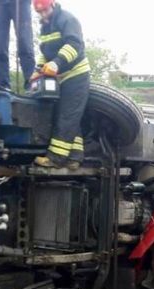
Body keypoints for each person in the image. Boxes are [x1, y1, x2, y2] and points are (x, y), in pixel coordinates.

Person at [31, 0, 91, 169]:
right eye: (39, 12)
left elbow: (74, 45)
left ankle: (55, 159)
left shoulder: (67, 19)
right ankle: (74, 158)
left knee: (66, 116)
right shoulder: (45, 27)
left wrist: (57, 63)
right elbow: (45, 52)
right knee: (71, 117)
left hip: (76, 74)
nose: (43, 15)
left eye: (45, 11)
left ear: (52, 5)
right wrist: (38, 69)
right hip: (61, 76)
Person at [0, 0, 36, 90]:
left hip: (21, 2)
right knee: (1, 47)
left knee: (25, 43)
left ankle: (31, 85)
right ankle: (3, 86)